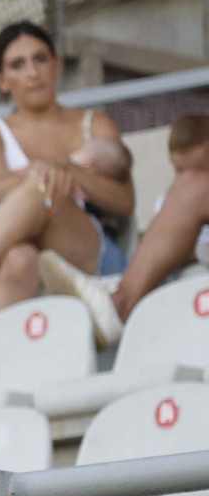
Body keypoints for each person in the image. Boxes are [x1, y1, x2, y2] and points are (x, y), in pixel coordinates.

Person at [0, 22, 133, 311]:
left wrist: (66, 170)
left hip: (93, 255)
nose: (32, 73)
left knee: (43, 189)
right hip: (20, 254)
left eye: (40, 59)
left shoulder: (96, 124)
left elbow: (125, 201)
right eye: (17, 65)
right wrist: (49, 172)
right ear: (1, 80)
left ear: (57, 65)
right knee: (20, 258)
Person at [42, 114, 209, 347]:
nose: (187, 178)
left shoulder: (193, 190)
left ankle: (118, 304)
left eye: (202, 170)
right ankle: (118, 296)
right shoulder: (176, 197)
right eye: (180, 171)